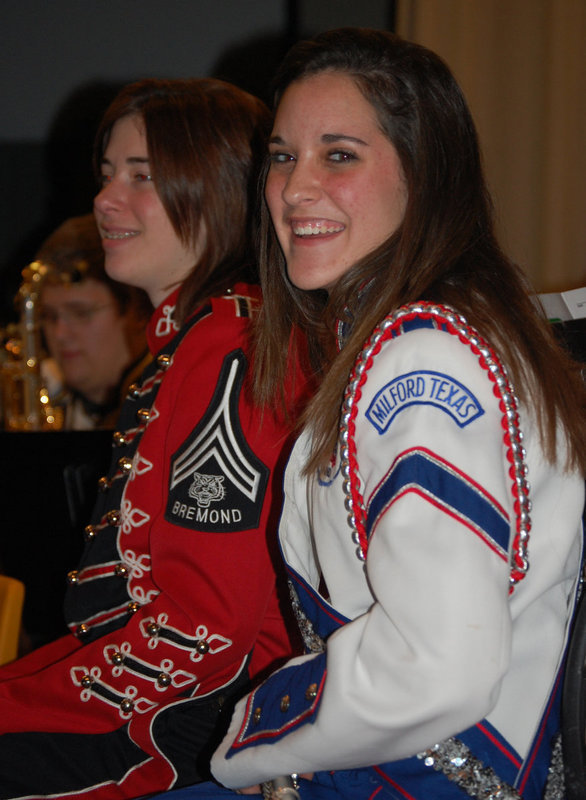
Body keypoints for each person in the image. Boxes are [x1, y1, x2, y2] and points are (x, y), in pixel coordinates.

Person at [152, 28, 586, 800]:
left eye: (339, 155)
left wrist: (254, 745)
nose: (293, 189)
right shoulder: (436, 328)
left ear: (424, 174)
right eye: (283, 156)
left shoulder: (422, 354)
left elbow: (438, 667)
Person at [0, 77, 309, 798]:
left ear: (221, 187)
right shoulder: (196, 341)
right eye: (108, 175)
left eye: (143, 177)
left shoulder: (229, 344)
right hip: (173, 707)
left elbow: (201, 637)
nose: (107, 200)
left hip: (193, 729)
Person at [36, 212, 152, 429]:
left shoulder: (164, 403)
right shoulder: (42, 394)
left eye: (82, 313)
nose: (60, 334)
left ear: (136, 313)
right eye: (50, 316)